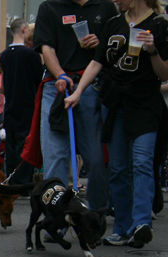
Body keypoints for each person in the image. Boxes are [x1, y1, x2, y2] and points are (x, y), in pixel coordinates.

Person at [65, 0, 168, 248]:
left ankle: (141, 223)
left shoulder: (159, 25)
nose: (115, 1)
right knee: (119, 168)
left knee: (142, 163)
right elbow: (97, 62)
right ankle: (122, 228)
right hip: (115, 102)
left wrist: (153, 50)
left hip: (145, 103)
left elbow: (164, 74)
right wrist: (78, 91)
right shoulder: (113, 23)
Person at [33, 0, 117, 212]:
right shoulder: (49, 7)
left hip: (93, 86)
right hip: (56, 86)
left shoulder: (105, 6)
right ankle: (57, 217)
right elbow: (46, 47)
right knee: (55, 156)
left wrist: (101, 43)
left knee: (97, 158)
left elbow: (114, 46)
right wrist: (59, 73)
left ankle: (96, 212)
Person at [0, 18, 44, 181]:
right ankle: (22, 180)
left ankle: (11, 178)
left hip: (10, 106)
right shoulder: (31, 55)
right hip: (28, 107)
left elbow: (3, 86)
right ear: (24, 29)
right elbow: (39, 81)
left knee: (10, 147)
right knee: (25, 146)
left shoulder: (4, 55)